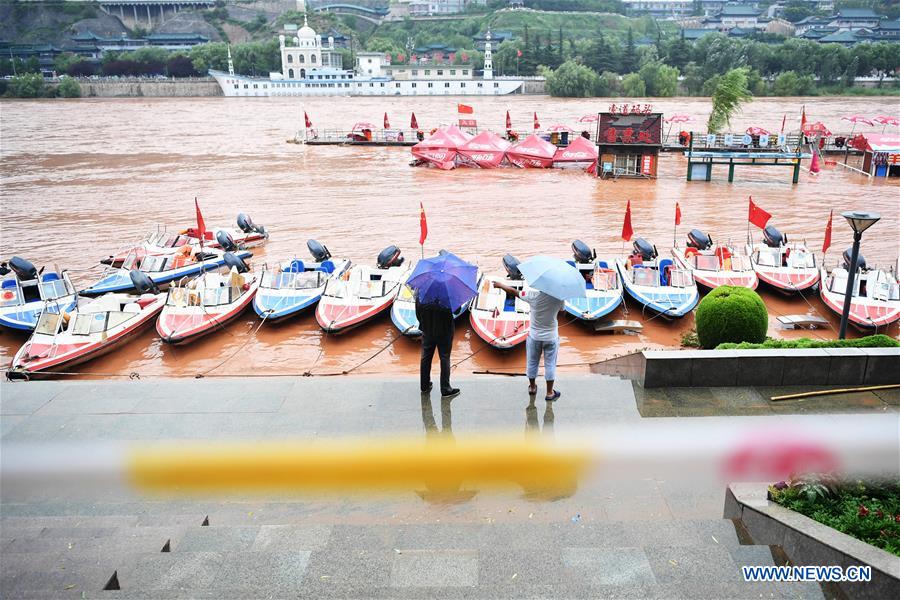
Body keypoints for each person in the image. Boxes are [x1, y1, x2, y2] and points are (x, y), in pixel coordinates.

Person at [492, 281, 564, 401]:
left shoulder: (532, 296)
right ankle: (550, 392)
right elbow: (563, 312)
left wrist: (500, 285)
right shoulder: (559, 298)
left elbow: (513, 292)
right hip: (551, 337)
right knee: (550, 365)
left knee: (532, 362)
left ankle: (532, 387)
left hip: (535, 336)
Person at [416, 297, 459, 398]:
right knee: (444, 357)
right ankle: (445, 389)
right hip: (445, 330)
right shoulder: (448, 291)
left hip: (428, 328)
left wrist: (425, 323)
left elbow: (418, 312)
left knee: (426, 357)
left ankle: (424, 385)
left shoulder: (422, 291)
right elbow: (457, 310)